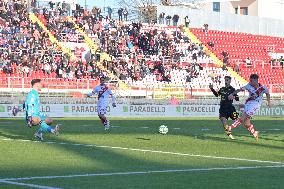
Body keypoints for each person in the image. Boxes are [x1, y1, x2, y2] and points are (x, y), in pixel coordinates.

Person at [226, 74, 271, 140]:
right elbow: (239, 90)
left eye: (251, 81)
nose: (250, 82)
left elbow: (267, 93)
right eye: (250, 80)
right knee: (247, 123)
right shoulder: (248, 86)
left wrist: (269, 102)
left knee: (243, 117)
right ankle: (255, 133)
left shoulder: (263, 88)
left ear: (256, 80)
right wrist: (232, 94)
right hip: (248, 104)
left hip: (256, 105)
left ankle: (230, 128)